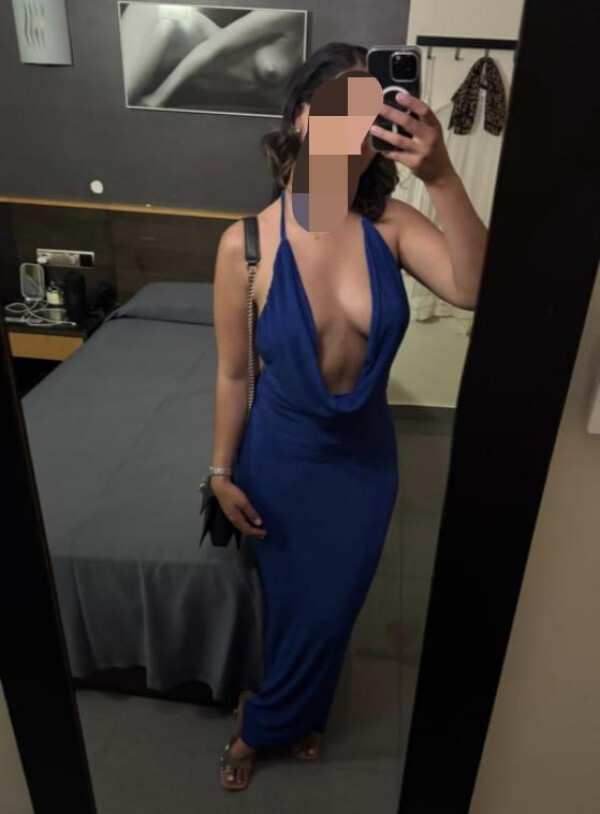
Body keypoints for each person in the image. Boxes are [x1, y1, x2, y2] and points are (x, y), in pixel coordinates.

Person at [210, 42, 487, 791]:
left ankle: (277, 714)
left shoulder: (391, 225)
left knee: (337, 605)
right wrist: (220, 472)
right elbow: (233, 374)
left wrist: (441, 175)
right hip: (280, 460)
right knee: (293, 602)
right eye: (344, 112)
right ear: (302, 119)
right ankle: (279, 716)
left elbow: (473, 287)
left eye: (375, 117)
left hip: (364, 464)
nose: (361, 131)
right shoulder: (246, 246)